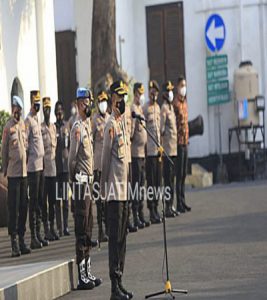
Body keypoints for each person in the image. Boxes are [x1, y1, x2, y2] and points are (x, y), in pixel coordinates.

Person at [101, 80, 133, 300]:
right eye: (119, 97)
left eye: (124, 97)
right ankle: (114, 288)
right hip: (113, 191)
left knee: (123, 238)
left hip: (124, 191)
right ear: (112, 98)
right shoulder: (110, 125)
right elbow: (104, 161)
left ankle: (120, 281)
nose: (122, 101)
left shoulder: (122, 123)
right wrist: (103, 189)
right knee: (114, 240)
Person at [68, 87, 102, 290]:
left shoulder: (87, 125)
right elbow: (72, 159)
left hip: (88, 183)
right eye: (85, 101)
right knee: (81, 229)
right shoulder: (77, 128)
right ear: (78, 103)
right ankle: (81, 277)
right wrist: (74, 182)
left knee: (89, 227)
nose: (88, 104)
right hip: (81, 184)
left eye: (89, 101)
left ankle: (88, 271)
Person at [1, 96, 31, 257]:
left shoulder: (23, 126)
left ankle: (21, 239)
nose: (16, 111)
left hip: (24, 173)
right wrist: (4, 169)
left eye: (18, 109)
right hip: (13, 174)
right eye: (14, 108)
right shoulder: (8, 127)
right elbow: (4, 149)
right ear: (12, 109)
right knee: (13, 208)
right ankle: (13, 243)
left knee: (23, 206)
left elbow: (26, 147)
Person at [25, 90, 48, 249]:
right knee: (33, 202)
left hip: (41, 166)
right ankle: (33, 236)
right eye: (36, 103)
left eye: (39, 103)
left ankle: (39, 234)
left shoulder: (37, 119)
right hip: (32, 167)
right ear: (31, 103)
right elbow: (26, 145)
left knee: (40, 200)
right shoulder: (28, 121)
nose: (38, 105)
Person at [130, 82, 150, 229]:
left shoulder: (140, 110)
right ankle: (135, 215)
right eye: (138, 94)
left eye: (142, 94)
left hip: (143, 152)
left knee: (142, 185)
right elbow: (131, 132)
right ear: (134, 94)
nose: (140, 97)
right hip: (135, 154)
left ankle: (141, 214)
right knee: (136, 186)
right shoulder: (132, 110)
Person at [92, 90, 109, 243]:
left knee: (109, 197)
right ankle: (100, 230)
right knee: (99, 200)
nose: (103, 104)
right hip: (98, 165)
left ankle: (108, 227)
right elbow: (90, 142)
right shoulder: (94, 120)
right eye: (101, 102)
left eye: (105, 102)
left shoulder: (110, 119)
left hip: (109, 165)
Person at [143, 80, 162, 224]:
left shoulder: (158, 108)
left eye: (155, 91)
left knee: (157, 182)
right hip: (149, 152)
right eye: (151, 91)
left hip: (158, 152)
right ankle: (152, 210)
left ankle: (157, 207)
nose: (153, 93)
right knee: (151, 182)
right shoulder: (145, 109)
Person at [41, 97, 59, 241]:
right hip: (43, 170)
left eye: (49, 109)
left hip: (53, 169)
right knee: (44, 201)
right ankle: (46, 228)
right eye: (45, 109)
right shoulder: (41, 129)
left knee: (53, 201)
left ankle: (52, 227)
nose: (47, 111)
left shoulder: (53, 127)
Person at [173, 76, 191, 213]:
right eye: (181, 85)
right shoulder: (175, 104)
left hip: (185, 142)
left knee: (184, 173)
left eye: (184, 85)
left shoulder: (185, 103)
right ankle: (178, 202)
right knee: (178, 174)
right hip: (178, 143)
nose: (183, 88)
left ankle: (183, 200)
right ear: (177, 87)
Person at [160, 81, 178, 218]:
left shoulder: (171, 108)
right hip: (167, 150)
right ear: (165, 94)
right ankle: (167, 207)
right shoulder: (164, 109)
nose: (171, 93)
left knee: (172, 179)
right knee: (167, 180)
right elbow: (161, 129)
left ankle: (171, 205)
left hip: (174, 149)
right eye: (169, 91)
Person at [55, 101, 70, 236]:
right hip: (56, 169)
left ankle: (66, 226)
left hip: (65, 168)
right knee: (57, 200)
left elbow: (70, 145)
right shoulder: (52, 128)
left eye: (60, 111)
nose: (59, 114)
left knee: (65, 199)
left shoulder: (67, 126)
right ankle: (59, 227)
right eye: (57, 111)